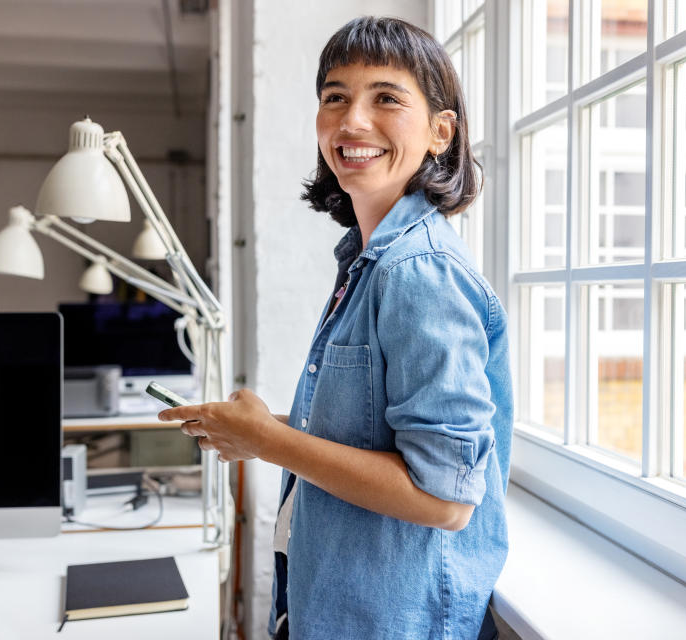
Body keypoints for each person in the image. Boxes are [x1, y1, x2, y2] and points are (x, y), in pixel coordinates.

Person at [159, 16, 512, 640]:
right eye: (335, 97)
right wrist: (257, 433)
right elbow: (379, 445)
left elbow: (446, 501)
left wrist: (268, 440)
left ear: (440, 130)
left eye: (386, 98)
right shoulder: (369, 260)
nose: (352, 121)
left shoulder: (419, 272)